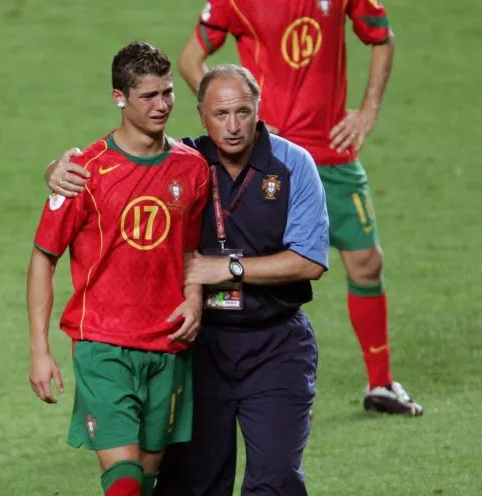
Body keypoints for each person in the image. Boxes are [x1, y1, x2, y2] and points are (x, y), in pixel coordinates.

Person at [47, 63, 330, 496]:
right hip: (196, 344)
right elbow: (112, 164)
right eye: (219, 113)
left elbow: (308, 260)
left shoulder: (294, 166)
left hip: (276, 344)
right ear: (200, 117)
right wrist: (59, 172)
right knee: (192, 478)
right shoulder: (185, 162)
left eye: (243, 112)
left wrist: (221, 269)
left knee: (275, 476)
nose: (232, 125)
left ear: (259, 109)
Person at [26, 41, 209, 496]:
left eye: (167, 93)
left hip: (168, 349)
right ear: (119, 98)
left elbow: (189, 252)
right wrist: (39, 350)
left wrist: (195, 299)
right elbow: (42, 259)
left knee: (146, 485)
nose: (162, 104)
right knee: (123, 477)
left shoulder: (191, 167)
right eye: (149, 95)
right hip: (103, 347)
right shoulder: (82, 172)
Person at [177, 0, 421, 416]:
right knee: (235, 266)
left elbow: (382, 38)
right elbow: (189, 60)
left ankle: (380, 383)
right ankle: (214, 386)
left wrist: (367, 113)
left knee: (366, 262)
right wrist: (240, 120)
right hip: (270, 159)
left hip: (331, 154)